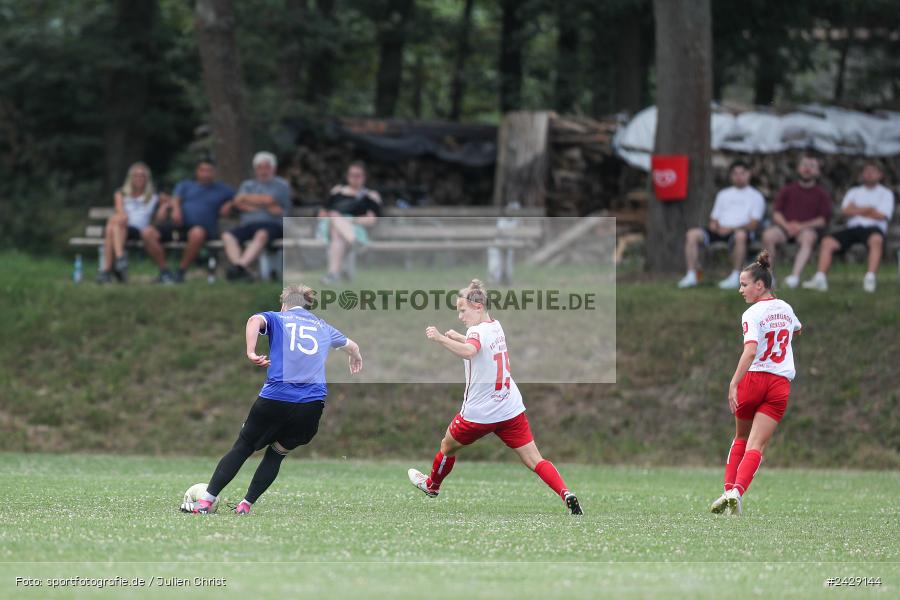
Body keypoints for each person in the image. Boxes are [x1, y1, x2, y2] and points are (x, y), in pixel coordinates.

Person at [182, 284, 363, 515]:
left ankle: (206, 502)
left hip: (276, 397)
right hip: (311, 406)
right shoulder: (323, 327)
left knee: (243, 447)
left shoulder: (278, 318)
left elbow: (254, 321)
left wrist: (251, 352)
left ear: (285, 304)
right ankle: (245, 505)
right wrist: (355, 357)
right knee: (277, 453)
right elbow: (353, 346)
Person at [407, 279, 583, 515]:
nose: (460, 316)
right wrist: (458, 336)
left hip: (479, 414)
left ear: (478, 307)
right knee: (535, 460)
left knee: (447, 447)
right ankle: (565, 493)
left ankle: (432, 486)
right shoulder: (495, 326)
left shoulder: (475, 332)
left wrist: (441, 338)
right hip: (509, 408)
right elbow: (481, 346)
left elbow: (471, 350)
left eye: (463, 310)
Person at [709, 251, 801, 516]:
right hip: (780, 384)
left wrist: (733, 383)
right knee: (757, 445)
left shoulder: (751, 313)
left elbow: (750, 351)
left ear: (759, 285)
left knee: (741, 437)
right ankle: (737, 493)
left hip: (755, 378)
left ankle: (728, 490)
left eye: (744, 284)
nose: (740, 290)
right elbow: (797, 329)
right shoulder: (786, 308)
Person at [802, 162, 895, 293]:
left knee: (876, 240)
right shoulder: (854, 192)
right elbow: (845, 211)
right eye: (866, 171)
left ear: (880, 175)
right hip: (853, 228)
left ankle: (870, 278)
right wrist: (869, 209)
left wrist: (856, 209)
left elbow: (882, 215)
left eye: (873, 171)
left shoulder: (886, 193)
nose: (869, 174)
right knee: (827, 242)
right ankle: (820, 279)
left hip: (873, 228)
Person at [142, 159, 234, 283]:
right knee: (147, 233)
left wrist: (230, 203)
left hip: (202, 230)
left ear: (214, 172)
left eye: (209, 171)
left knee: (197, 233)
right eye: (202, 170)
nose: (205, 174)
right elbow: (175, 199)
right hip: (178, 224)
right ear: (197, 171)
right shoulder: (186, 185)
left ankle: (180, 273)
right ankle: (165, 272)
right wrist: (176, 209)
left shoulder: (223, 190)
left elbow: (239, 199)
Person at [678, 161, 766, 289]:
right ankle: (691, 275)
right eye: (735, 173)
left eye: (742, 173)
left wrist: (731, 229)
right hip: (719, 230)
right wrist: (715, 226)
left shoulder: (756, 196)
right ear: (731, 175)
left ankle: (735, 277)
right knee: (692, 234)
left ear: (749, 174)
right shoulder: (723, 194)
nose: (739, 176)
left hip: (740, 232)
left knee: (740, 235)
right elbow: (714, 218)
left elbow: (754, 223)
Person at [760, 156, 833, 288]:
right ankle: (769, 277)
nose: (807, 169)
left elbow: (822, 220)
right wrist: (787, 226)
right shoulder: (787, 190)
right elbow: (776, 213)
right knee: (768, 235)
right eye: (804, 165)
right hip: (784, 229)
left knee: (808, 237)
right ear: (798, 168)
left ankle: (794, 277)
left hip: (806, 231)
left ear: (817, 172)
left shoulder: (822, 194)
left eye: (811, 166)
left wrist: (801, 226)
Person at [223, 152, 292, 281]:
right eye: (260, 167)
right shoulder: (247, 185)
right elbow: (238, 203)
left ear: (274, 168)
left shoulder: (281, 184)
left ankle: (239, 268)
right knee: (228, 236)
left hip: (274, 225)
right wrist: (264, 205)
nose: (263, 171)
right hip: (249, 225)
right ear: (255, 170)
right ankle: (242, 269)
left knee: (261, 234)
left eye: (267, 167)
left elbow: (268, 199)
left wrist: (246, 199)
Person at [317, 162, 381, 284]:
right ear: (347, 176)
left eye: (358, 175)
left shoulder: (370, 196)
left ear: (364, 177)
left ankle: (333, 275)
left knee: (337, 234)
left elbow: (371, 220)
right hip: (329, 227)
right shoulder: (337, 192)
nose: (354, 178)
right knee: (334, 217)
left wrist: (348, 220)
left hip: (355, 228)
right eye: (352, 175)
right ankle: (355, 243)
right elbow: (322, 213)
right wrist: (336, 218)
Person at [97, 162, 158, 284]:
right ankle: (119, 259)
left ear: (147, 178)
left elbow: (159, 216)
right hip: (122, 227)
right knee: (114, 225)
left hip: (138, 230)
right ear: (131, 178)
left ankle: (106, 271)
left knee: (111, 226)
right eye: (136, 176)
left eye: (142, 176)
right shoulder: (121, 193)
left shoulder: (153, 196)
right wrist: (120, 218)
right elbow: (121, 211)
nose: (139, 178)